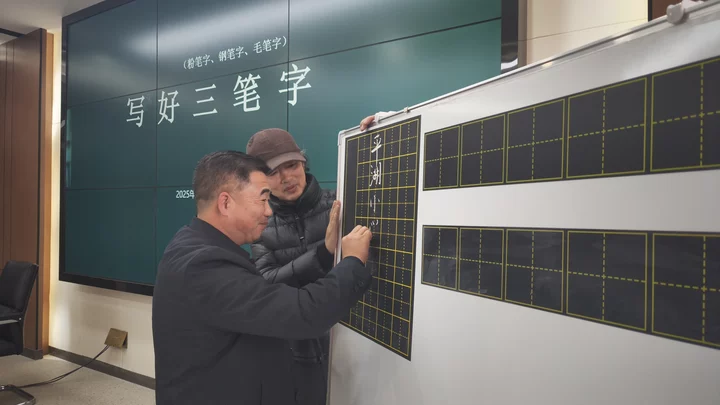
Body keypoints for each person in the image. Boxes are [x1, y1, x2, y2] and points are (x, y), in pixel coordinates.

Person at [152, 150, 374, 405]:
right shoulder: (204, 266)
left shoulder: (192, 242)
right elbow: (302, 312)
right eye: (263, 199)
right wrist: (353, 261)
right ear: (225, 203)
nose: (269, 211)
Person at [246, 128, 341, 405]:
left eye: (292, 165)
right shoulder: (261, 224)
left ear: (303, 163)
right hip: (293, 353)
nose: (287, 177)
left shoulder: (339, 204)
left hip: (350, 345)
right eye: (274, 172)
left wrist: (374, 132)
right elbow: (268, 281)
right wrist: (324, 253)